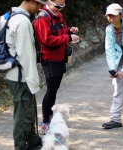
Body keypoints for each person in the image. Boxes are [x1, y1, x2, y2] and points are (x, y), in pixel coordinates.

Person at [5, 0, 48, 149]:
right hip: (21, 76)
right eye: (39, 5)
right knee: (23, 115)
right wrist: (34, 82)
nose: (41, 8)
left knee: (27, 111)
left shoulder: (10, 16)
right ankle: (21, 146)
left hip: (12, 73)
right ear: (32, 1)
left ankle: (33, 140)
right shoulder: (23, 21)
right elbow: (27, 56)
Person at [33, 0, 79, 134]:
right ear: (49, 2)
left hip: (60, 57)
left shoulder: (57, 15)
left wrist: (69, 31)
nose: (59, 9)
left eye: (62, 7)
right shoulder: (43, 17)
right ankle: (46, 121)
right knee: (51, 90)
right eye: (57, 6)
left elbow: (60, 31)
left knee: (55, 89)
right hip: (49, 58)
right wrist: (68, 38)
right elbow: (46, 39)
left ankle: (50, 117)